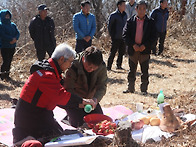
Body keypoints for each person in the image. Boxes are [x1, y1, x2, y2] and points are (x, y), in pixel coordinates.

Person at [12, 43, 95, 146]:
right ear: (61, 59)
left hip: (41, 112)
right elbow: (60, 96)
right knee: (53, 140)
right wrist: (82, 101)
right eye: (70, 62)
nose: (70, 66)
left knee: (60, 134)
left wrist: (79, 103)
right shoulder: (45, 75)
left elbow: (58, 98)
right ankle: (22, 140)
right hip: (30, 118)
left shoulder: (51, 72)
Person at [63, 46, 107, 127]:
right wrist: (80, 102)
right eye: (88, 66)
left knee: (100, 122)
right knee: (79, 124)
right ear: (83, 59)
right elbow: (68, 89)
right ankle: (68, 117)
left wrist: (95, 100)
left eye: (94, 68)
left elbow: (102, 87)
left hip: (90, 100)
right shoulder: (73, 66)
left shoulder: (101, 66)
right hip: (75, 101)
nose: (91, 69)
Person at [123, 0, 156, 94]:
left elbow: (154, 37)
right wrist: (133, 45)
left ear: (146, 10)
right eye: (140, 9)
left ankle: (144, 89)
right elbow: (125, 35)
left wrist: (145, 46)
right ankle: (130, 88)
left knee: (144, 71)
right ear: (136, 9)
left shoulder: (150, 22)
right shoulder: (130, 21)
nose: (142, 11)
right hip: (133, 50)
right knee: (131, 70)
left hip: (144, 50)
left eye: (144, 9)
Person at [107, 0, 127, 70]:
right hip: (115, 37)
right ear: (119, 6)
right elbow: (110, 26)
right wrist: (112, 36)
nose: (125, 6)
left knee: (121, 52)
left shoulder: (125, 15)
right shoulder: (113, 15)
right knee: (113, 52)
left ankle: (119, 65)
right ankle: (109, 66)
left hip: (123, 37)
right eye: (123, 5)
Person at [0, 9, 20, 80]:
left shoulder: (13, 25)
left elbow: (17, 33)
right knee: (5, 60)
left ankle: (7, 75)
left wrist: (15, 39)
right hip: (4, 46)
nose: (7, 17)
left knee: (10, 60)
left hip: (12, 46)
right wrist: (10, 39)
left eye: (8, 16)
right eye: (6, 16)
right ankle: (2, 75)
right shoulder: (1, 25)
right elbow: (2, 35)